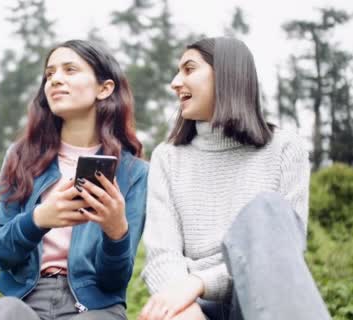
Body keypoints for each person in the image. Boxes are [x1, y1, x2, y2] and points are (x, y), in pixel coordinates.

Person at [139, 37, 331, 320]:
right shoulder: (167, 157)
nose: (175, 82)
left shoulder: (285, 148)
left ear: (227, 74)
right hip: (191, 303)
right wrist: (186, 307)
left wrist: (201, 282)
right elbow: (162, 255)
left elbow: (283, 255)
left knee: (268, 208)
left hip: (264, 297)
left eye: (189, 69)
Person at [0, 39, 148, 320]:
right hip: (26, 300)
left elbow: (114, 282)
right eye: (50, 74)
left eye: (70, 70)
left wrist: (116, 231)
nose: (56, 79)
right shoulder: (21, 156)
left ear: (104, 88)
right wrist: (37, 220)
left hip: (96, 308)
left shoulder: (134, 172)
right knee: (7, 312)